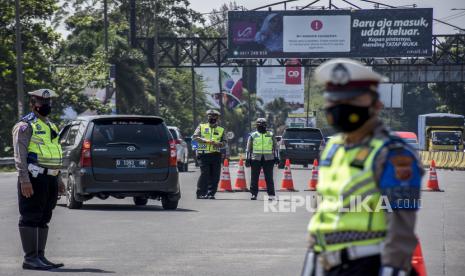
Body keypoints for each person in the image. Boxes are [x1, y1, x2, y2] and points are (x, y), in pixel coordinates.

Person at [301, 59, 423, 276]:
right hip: (326, 262)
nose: (341, 107)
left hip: (370, 265)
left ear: (376, 105)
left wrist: (392, 269)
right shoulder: (332, 147)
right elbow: (324, 206)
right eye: (334, 100)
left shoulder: (393, 153)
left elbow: (401, 224)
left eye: (353, 100)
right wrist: (313, 258)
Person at [12, 89, 65, 270]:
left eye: (48, 102)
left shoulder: (51, 125)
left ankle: (40, 256)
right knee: (30, 216)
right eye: (42, 102)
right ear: (32, 104)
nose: (46, 106)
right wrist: (24, 180)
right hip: (33, 178)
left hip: (50, 178)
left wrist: (59, 179)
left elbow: (54, 152)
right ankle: (30, 258)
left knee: (44, 217)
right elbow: (20, 155)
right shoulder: (25, 126)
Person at [192, 109, 226, 199]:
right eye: (210, 116)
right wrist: (206, 141)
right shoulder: (201, 126)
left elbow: (224, 142)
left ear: (217, 118)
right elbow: (195, 137)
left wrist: (219, 144)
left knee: (215, 175)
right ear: (208, 117)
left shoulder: (221, 129)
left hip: (216, 154)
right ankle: (200, 193)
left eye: (214, 117)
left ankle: (211, 193)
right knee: (205, 174)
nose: (212, 118)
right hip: (203, 154)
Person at [245, 118, 279, 200]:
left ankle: (271, 194)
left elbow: (276, 147)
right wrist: (247, 159)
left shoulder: (270, 134)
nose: (261, 126)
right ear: (256, 126)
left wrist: (277, 157)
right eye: (259, 125)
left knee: (269, 177)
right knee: (254, 177)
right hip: (255, 158)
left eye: (263, 125)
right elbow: (248, 148)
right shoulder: (253, 135)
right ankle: (254, 194)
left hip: (269, 159)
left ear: (265, 125)